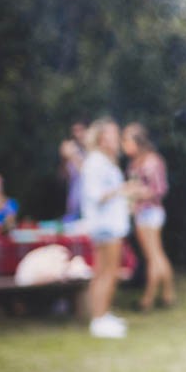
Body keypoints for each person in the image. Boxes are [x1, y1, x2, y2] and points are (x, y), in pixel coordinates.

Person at [79, 117, 132, 339]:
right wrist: (123, 189)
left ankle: (101, 314)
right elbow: (96, 196)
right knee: (109, 273)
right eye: (112, 134)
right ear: (101, 138)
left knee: (103, 272)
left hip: (110, 225)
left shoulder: (105, 161)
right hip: (105, 227)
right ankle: (99, 321)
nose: (117, 138)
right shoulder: (95, 163)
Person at [122, 122, 176, 311]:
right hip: (140, 213)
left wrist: (137, 193)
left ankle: (148, 299)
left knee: (154, 256)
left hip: (151, 213)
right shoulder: (134, 162)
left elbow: (160, 189)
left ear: (137, 142)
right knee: (156, 254)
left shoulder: (153, 161)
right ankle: (168, 295)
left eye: (126, 141)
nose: (124, 145)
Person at [60, 121, 88, 222]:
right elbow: (63, 177)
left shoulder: (92, 151)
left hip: (87, 204)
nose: (78, 134)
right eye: (75, 131)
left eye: (80, 130)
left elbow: (86, 174)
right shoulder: (73, 149)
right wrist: (64, 159)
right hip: (74, 204)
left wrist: (72, 156)